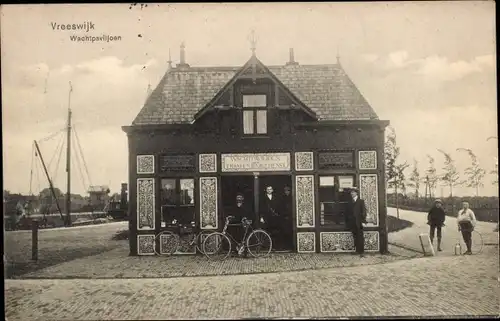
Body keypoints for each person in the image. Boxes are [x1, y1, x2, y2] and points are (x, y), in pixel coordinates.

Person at [346, 188, 367, 257]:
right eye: (351, 192)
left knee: (360, 237)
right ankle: (357, 250)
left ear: (356, 193)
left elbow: (364, 212)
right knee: (355, 236)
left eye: (353, 192)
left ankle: (361, 252)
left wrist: (362, 220)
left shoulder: (361, 201)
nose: (351, 194)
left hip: (359, 222)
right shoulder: (350, 202)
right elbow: (347, 213)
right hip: (352, 223)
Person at [260, 185, 281, 250]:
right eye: (268, 189)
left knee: (274, 232)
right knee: (266, 231)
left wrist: (278, 214)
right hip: (266, 217)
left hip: (274, 217)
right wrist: (261, 217)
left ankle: (274, 246)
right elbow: (261, 208)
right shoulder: (263, 198)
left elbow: (278, 207)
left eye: (270, 189)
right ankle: (266, 247)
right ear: (266, 190)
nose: (269, 190)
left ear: (272, 190)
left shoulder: (276, 197)